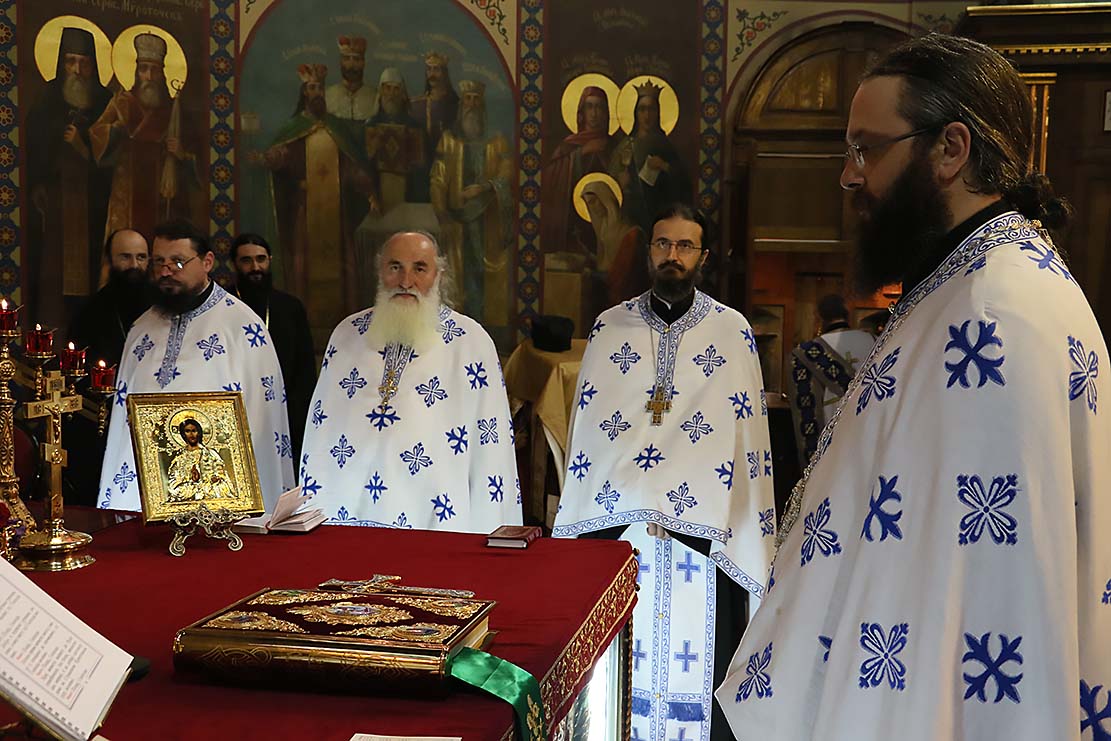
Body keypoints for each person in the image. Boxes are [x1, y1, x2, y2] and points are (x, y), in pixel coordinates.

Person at [717, 34, 1109, 741]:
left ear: (950, 149)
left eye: (866, 149)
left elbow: (989, 595)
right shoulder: (959, 283)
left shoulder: (996, 312)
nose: (848, 176)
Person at [553, 204, 775, 741]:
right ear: (649, 250)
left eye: (684, 246)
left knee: (703, 666)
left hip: (704, 537)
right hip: (618, 533)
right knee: (614, 686)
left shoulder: (731, 332)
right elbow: (590, 434)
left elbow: (746, 439)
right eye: (662, 244)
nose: (672, 255)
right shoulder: (610, 328)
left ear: (703, 256)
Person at [299, 231, 521, 533]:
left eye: (419, 268)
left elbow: (491, 445)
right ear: (380, 271)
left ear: (438, 274)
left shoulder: (470, 342)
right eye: (395, 267)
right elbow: (320, 433)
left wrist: (489, 533)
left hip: (436, 520)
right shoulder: (347, 335)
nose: (406, 281)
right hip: (349, 517)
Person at [98, 219, 294, 513]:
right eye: (159, 262)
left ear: (207, 262)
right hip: (148, 493)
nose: (166, 271)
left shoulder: (243, 328)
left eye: (178, 262)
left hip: (220, 492)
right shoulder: (142, 329)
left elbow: (263, 422)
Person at [256, 63, 375, 343]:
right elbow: (282, 158)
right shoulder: (294, 128)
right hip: (305, 209)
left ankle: (344, 327)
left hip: (336, 211)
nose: (317, 92)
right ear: (304, 93)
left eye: (319, 87)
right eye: (311, 88)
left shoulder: (336, 128)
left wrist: (366, 184)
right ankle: (304, 324)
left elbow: (350, 166)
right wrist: (269, 158)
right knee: (303, 264)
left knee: (343, 266)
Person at [25, 26, 113, 327]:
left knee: (92, 273)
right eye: (71, 61)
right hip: (57, 207)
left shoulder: (106, 103)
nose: (77, 70)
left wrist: (81, 147)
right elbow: (33, 150)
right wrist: (37, 184)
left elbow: (115, 164)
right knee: (52, 274)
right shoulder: (46, 100)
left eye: (84, 63)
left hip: (93, 209)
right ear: (61, 63)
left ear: (94, 65)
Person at [64, 228, 151, 505]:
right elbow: (78, 371)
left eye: (141, 257)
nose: (134, 265)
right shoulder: (92, 311)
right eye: (125, 257)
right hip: (103, 420)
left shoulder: (162, 307)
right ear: (109, 260)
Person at [90, 32, 198, 239]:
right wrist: (117, 129)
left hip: (164, 196)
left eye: (154, 70)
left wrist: (181, 154)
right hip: (128, 190)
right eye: (144, 69)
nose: (149, 76)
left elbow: (198, 159)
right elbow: (97, 133)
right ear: (136, 71)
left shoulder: (175, 111)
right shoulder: (121, 102)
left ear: (162, 73)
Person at [429, 79, 512, 333]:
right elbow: (438, 179)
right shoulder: (448, 141)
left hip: (489, 222)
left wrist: (485, 187)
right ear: (461, 104)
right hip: (457, 224)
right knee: (459, 278)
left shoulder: (497, 141)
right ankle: (459, 332)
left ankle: (490, 333)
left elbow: (508, 173)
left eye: (476, 99)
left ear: (482, 104)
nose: (472, 104)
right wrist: (442, 214)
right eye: (468, 99)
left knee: (485, 276)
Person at [232, 233, 317, 464]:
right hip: (238, 409)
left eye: (261, 259)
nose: (255, 267)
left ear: (270, 260)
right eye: (246, 260)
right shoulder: (225, 305)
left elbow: (305, 367)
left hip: (284, 413)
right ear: (234, 264)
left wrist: (296, 415)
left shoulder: (290, 307)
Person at [785, 293, 876, 467]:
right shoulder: (873, 340)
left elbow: (807, 410)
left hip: (834, 441)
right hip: (871, 433)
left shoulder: (807, 353)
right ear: (847, 313)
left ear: (819, 317)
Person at [609, 80, 692, 237]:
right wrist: (619, 184)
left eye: (651, 109)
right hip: (631, 219)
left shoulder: (665, 146)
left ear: (658, 113)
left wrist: (665, 166)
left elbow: (684, 184)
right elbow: (610, 185)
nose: (647, 115)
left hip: (660, 216)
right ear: (636, 113)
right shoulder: (625, 146)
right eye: (642, 109)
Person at [539, 86, 615, 257]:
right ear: (582, 113)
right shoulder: (568, 146)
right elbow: (551, 179)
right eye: (589, 107)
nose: (594, 113)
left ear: (606, 113)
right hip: (573, 219)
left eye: (599, 107)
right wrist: (581, 153)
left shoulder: (614, 145)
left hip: (605, 217)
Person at [166, 418, 234, 502]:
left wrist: (214, 479)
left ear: (199, 432)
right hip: (189, 494)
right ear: (183, 434)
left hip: (210, 492)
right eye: (187, 431)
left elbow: (222, 476)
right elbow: (173, 485)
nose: (191, 434)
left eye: (194, 431)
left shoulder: (211, 454)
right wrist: (192, 481)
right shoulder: (179, 459)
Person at [325, 35, 376, 122]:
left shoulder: (375, 98)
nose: (351, 64)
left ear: (363, 63)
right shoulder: (328, 96)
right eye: (346, 59)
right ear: (341, 62)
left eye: (356, 59)